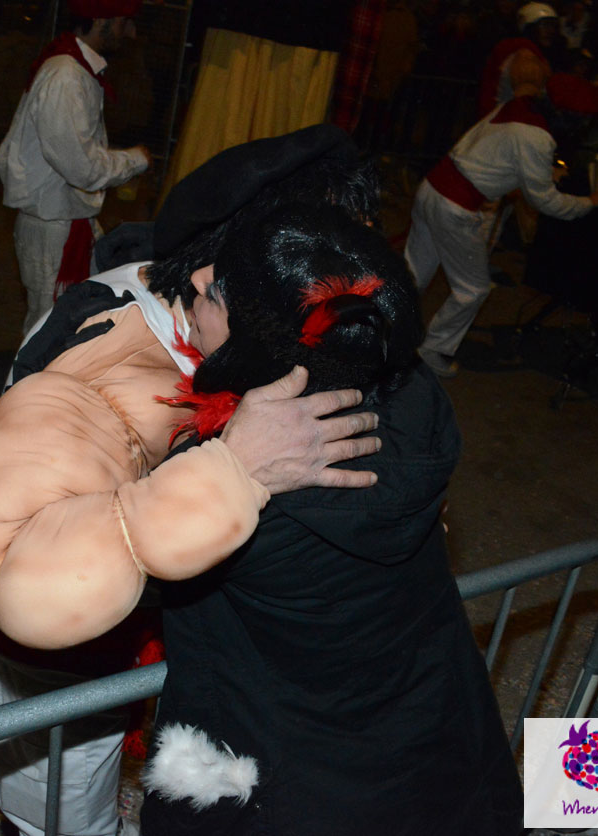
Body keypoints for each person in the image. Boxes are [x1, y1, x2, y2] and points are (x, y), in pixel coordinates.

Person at [0, 129, 381, 836]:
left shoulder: (239, 315)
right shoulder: (94, 372)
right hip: (67, 656)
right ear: (215, 281)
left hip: (164, 617)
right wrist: (233, 472)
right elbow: (23, 585)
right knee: (58, 803)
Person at [137, 202, 523, 836]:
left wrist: (229, 467)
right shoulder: (413, 398)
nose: (195, 288)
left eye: (212, 290)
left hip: (296, 789)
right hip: (434, 760)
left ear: (250, 337)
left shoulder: (250, 487)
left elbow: (126, 568)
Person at [405, 61, 598, 377]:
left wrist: (537, 174)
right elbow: (545, 200)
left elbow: (497, 158)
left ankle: (379, 334)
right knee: (472, 289)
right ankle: (433, 349)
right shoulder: (538, 137)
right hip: (455, 205)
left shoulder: (519, 107)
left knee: (413, 273)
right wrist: (589, 203)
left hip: (433, 187)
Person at [0, 0, 150, 333]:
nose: (131, 33)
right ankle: (28, 384)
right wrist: (134, 160)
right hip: (54, 227)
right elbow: (81, 167)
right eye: (125, 22)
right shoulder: (65, 76)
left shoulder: (74, 70)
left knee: (65, 323)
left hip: (68, 220)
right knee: (47, 330)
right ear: (99, 20)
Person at [478, 1, 560, 116]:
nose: (550, 31)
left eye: (553, 26)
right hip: (508, 120)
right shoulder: (525, 56)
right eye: (545, 25)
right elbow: (525, 102)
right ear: (530, 28)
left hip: (500, 118)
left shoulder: (519, 51)